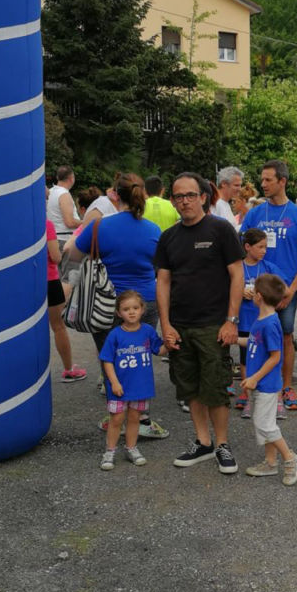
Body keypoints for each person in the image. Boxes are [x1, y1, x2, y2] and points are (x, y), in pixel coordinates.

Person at [155, 172, 244, 473]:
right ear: (173, 201)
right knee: (189, 387)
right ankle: (203, 442)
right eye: (179, 196)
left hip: (213, 325)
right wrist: (166, 325)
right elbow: (163, 282)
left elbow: (237, 275)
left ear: (203, 197)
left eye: (190, 195)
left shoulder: (221, 230)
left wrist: (231, 321)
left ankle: (222, 445)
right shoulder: (168, 237)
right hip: (180, 326)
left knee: (215, 389)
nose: (185, 201)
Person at [71, 174, 167, 440]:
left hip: (107, 303)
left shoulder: (100, 227)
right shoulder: (153, 230)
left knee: (111, 358)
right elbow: (161, 266)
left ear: (115, 194)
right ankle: (142, 419)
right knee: (140, 358)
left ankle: (116, 416)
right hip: (146, 300)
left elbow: (73, 254)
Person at [244, 160, 297, 412]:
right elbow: (242, 250)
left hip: (285, 292)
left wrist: (291, 290)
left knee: (285, 336)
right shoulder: (255, 214)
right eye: (262, 179)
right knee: (253, 336)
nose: (263, 184)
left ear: (282, 181)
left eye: (268, 180)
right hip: (255, 290)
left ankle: (285, 387)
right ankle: (250, 388)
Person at [240, 274, 297, 486]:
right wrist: (234, 340)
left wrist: (254, 378)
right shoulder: (261, 320)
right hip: (260, 383)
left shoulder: (270, 324)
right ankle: (270, 462)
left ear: (258, 296)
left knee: (263, 424)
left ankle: (290, 458)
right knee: (266, 423)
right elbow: (254, 342)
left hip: (266, 384)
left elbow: (275, 357)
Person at [99, 291, 165, 471]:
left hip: (140, 386)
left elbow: (159, 350)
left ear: (142, 309)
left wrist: (170, 343)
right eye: (126, 309)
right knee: (116, 419)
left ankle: (131, 448)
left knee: (135, 418)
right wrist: (114, 382)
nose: (131, 312)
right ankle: (110, 451)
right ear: (119, 313)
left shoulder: (148, 331)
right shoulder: (115, 335)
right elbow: (106, 360)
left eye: (135, 308)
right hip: (119, 387)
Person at [235, 228, 286, 418]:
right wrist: (240, 291)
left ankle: (277, 398)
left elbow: (284, 289)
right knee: (246, 359)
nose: (264, 250)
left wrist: (270, 297)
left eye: (265, 246)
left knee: (271, 357)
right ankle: (249, 397)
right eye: (260, 247)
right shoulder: (237, 267)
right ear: (247, 247)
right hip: (244, 321)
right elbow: (226, 288)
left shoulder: (269, 267)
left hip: (264, 321)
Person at [46, 220, 86, 382]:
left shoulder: (19, 224)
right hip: (49, 280)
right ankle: (69, 370)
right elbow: (55, 257)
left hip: (27, 282)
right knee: (58, 327)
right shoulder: (45, 224)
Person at [46, 165, 80, 295]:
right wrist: (87, 222)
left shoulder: (50, 192)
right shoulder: (64, 194)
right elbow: (69, 222)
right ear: (71, 178)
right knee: (68, 279)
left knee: (57, 277)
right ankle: (66, 305)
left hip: (52, 240)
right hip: (65, 240)